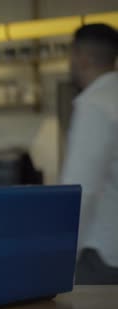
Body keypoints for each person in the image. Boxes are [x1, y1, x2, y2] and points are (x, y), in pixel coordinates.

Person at [62, 23, 118, 284]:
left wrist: (62, 255)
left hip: (103, 254)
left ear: (80, 56)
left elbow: (81, 191)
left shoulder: (94, 105)